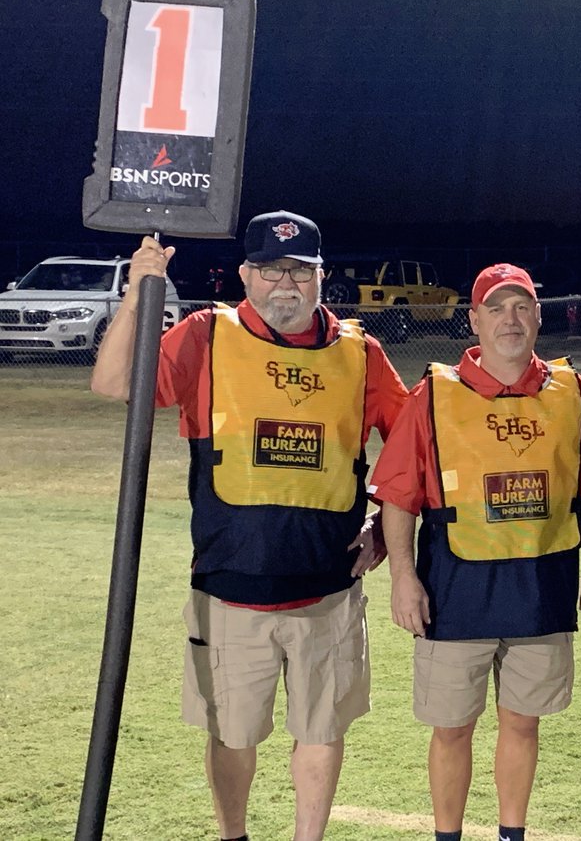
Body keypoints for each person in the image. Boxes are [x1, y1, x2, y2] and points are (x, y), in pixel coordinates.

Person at [91, 211, 409, 841]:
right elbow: (113, 382)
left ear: (320, 277)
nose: (283, 284)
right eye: (269, 270)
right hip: (229, 588)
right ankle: (232, 835)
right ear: (246, 274)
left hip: (329, 593)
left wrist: (382, 528)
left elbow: (410, 451)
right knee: (232, 733)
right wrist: (137, 291)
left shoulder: (360, 353)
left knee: (321, 731)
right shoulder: (206, 335)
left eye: (298, 270)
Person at [369, 263, 581, 841]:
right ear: (473, 319)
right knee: (451, 727)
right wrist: (403, 577)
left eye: (521, 306)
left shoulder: (572, 392)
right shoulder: (434, 393)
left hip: (541, 583)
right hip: (455, 586)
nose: (510, 319)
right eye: (496, 308)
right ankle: (447, 834)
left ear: (539, 316)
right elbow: (400, 494)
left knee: (522, 723)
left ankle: (510, 834)